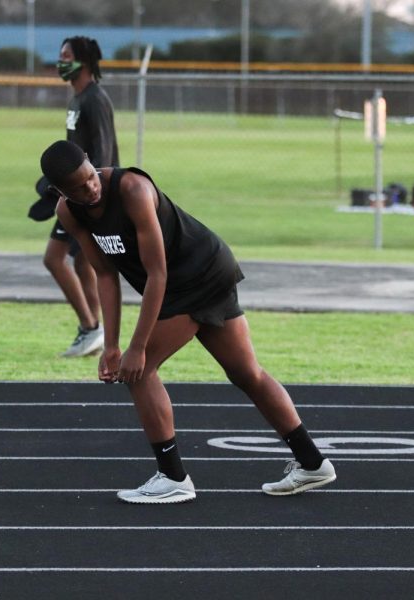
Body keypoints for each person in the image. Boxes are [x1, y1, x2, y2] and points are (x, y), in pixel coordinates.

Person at [40, 140, 336, 504]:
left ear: (90, 161)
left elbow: (157, 274)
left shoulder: (132, 189)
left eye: (90, 176)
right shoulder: (70, 213)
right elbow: (104, 276)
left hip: (198, 274)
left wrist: (134, 349)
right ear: (60, 192)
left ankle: (173, 477)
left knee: (140, 371)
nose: (90, 187)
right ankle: (312, 462)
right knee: (246, 374)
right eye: (78, 187)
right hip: (197, 276)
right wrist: (111, 344)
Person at [43, 36, 120, 357]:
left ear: (84, 61)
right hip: (75, 192)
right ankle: (93, 330)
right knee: (79, 260)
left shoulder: (94, 99)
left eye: (66, 56)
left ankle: (91, 328)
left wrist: (92, 195)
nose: (61, 61)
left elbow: (100, 154)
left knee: (57, 257)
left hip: (90, 195)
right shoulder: (76, 99)